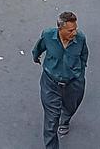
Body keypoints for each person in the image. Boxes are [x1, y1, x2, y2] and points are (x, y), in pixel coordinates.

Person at [33, 11, 89, 148]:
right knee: (51, 121)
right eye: (70, 30)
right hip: (50, 84)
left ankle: (65, 120)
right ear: (60, 29)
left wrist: (79, 75)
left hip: (73, 83)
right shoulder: (47, 35)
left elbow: (84, 56)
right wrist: (36, 57)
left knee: (71, 107)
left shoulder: (80, 39)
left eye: (75, 28)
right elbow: (37, 49)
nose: (74, 33)